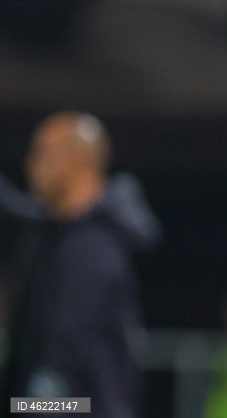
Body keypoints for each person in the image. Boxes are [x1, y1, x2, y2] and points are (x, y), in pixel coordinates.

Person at [0, 112, 160, 418]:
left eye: (41, 151)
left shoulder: (95, 241)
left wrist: (35, 403)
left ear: (77, 159)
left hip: (88, 405)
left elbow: (73, 343)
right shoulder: (56, 231)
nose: (31, 163)